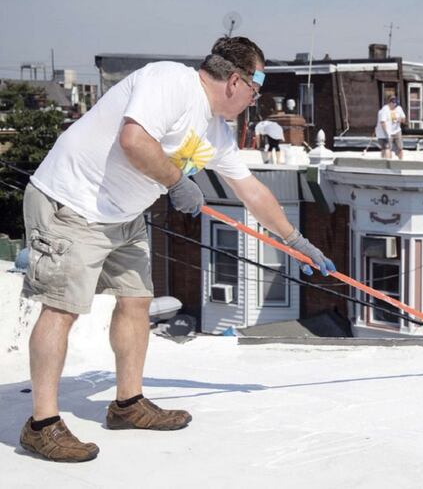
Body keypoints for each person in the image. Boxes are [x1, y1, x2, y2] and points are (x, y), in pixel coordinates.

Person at [18, 36, 335, 463]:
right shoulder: (170, 81)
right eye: (255, 91)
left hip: (122, 215)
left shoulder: (217, 133)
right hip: (72, 201)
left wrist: (295, 241)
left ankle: (127, 405)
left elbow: (252, 192)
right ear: (236, 82)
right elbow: (134, 139)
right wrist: (175, 182)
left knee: (137, 301)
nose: (254, 101)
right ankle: (41, 425)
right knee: (62, 307)